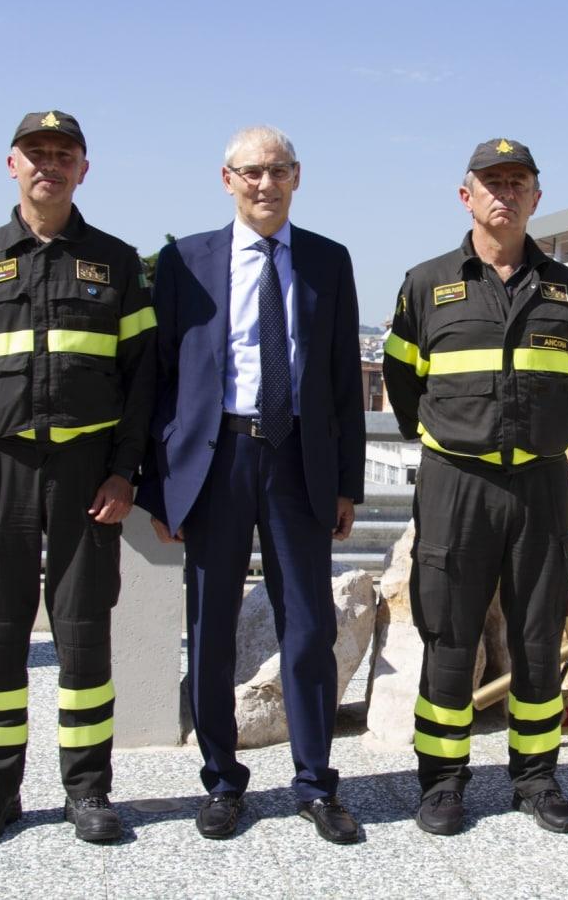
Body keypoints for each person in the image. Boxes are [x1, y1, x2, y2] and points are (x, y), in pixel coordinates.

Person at [0, 110, 155, 844]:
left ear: (84, 169)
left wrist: (125, 473)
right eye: (36, 154)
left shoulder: (118, 262)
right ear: (12, 165)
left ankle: (89, 792)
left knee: (85, 638)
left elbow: (143, 380)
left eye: (63, 154)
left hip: (86, 474)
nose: (48, 165)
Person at [139, 125, 365, 844]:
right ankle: (221, 780)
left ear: (297, 176)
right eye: (251, 172)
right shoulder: (184, 261)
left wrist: (347, 483)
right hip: (217, 462)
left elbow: (341, 384)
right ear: (226, 179)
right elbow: (158, 378)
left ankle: (314, 781)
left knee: (310, 625)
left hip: (300, 459)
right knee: (210, 627)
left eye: (278, 170)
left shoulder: (329, 260)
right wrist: (159, 487)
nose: (265, 184)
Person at [382, 138, 568, 836]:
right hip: (458, 482)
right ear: (466, 195)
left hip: (540, 482)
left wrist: (542, 435)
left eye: (518, 181)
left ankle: (536, 778)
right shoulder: (425, 283)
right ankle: (442, 783)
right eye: (491, 182)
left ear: (536, 196)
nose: (504, 193)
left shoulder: (566, 290)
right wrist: (456, 435)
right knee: (449, 634)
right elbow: (401, 384)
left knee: (538, 638)